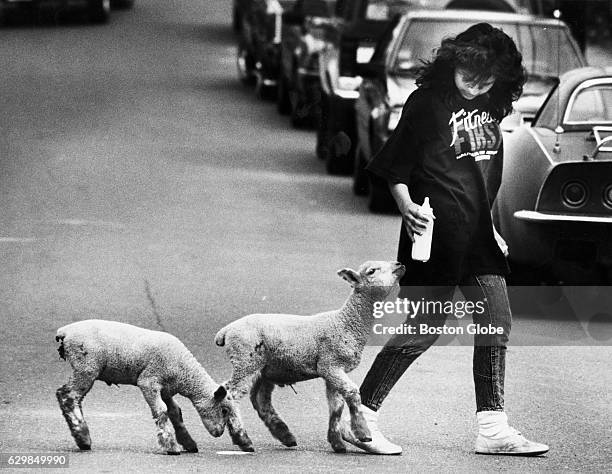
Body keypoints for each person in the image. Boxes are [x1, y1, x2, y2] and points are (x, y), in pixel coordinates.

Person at [343, 23, 550, 456]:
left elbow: (484, 173)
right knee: (424, 328)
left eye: (487, 81)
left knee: (497, 321)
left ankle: (493, 428)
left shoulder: (493, 106)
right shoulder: (425, 103)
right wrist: (405, 205)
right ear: (453, 63)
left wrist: (491, 223)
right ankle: (360, 419)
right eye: (468, 78)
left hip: (477, 236)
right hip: (434, 233)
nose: (475, 88)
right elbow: (395, 166)